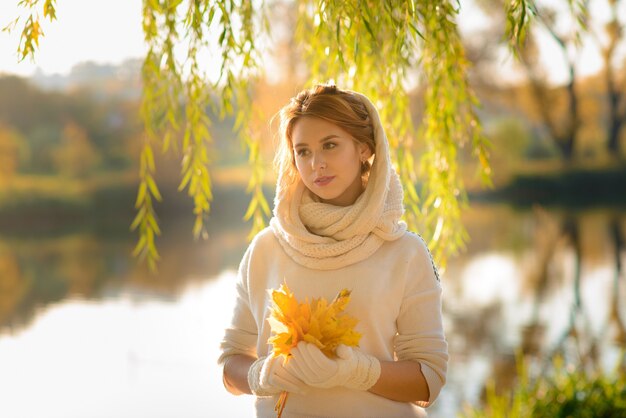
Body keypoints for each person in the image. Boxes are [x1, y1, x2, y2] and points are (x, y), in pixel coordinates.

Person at [218, 84, 448, 417]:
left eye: (330, 145)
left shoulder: (405, 252)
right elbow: (229, 368)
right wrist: (259, 374)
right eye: (303, 151)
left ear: (364, 149)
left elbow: (429, 381)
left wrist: (357, 371)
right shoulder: (265, 248)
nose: (316, 164)